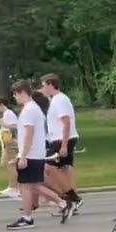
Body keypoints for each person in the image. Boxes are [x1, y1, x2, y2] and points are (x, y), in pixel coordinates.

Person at [7, 81, 70, 229]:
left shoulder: (29, 110)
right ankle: (62, 203)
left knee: (26, 185)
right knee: (34, 185)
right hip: (35, 153)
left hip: (31, 155)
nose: (15, 98)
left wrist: (23, 156)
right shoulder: (33, 109)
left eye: (16, 95)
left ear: (22, 93)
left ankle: (27, 217)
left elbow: (29, 133)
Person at [40, 74, 82, 214]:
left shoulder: (59, 100)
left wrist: (64, 145)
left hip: (62, 139)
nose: (42, 88)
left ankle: (71, 196)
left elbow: (66, 122)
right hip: (60, 138)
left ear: (51, 84)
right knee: (63, 169)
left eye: (44, 85)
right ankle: (71, 202)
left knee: (48, 167)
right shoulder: (56, 99)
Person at [0, 97, 20, 197]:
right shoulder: (6, 114)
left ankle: (14, 186)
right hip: (6, 140)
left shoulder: (9, 113)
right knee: (6, 163)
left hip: (9, 141)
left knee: (9, 163)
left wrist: (3, 123)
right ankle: (13, 185)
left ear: (2, 104)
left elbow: (15, 126)